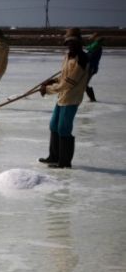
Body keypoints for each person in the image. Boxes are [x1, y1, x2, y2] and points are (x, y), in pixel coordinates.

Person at [39, 28, 89, 169]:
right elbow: (63, 76)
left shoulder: (82, 59)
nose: (70, 45)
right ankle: (53, 157)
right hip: (62, 97)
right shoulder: (68, 56)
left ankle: (64, 162)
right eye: (68, 42)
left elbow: (68, 83)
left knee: (63, 129)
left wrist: (47, 90)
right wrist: (51, 81)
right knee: (53, 126)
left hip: (72, 98)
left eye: (73, 42)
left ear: (79, 43)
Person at [84, 33, 104, 102]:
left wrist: (83, 55)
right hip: (90, 67)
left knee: (84, 84)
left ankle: (92, 99)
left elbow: (90, 56)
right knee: (84, 84)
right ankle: (92, 98)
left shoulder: (97, 47)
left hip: (91, 67)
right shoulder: (95, 46)